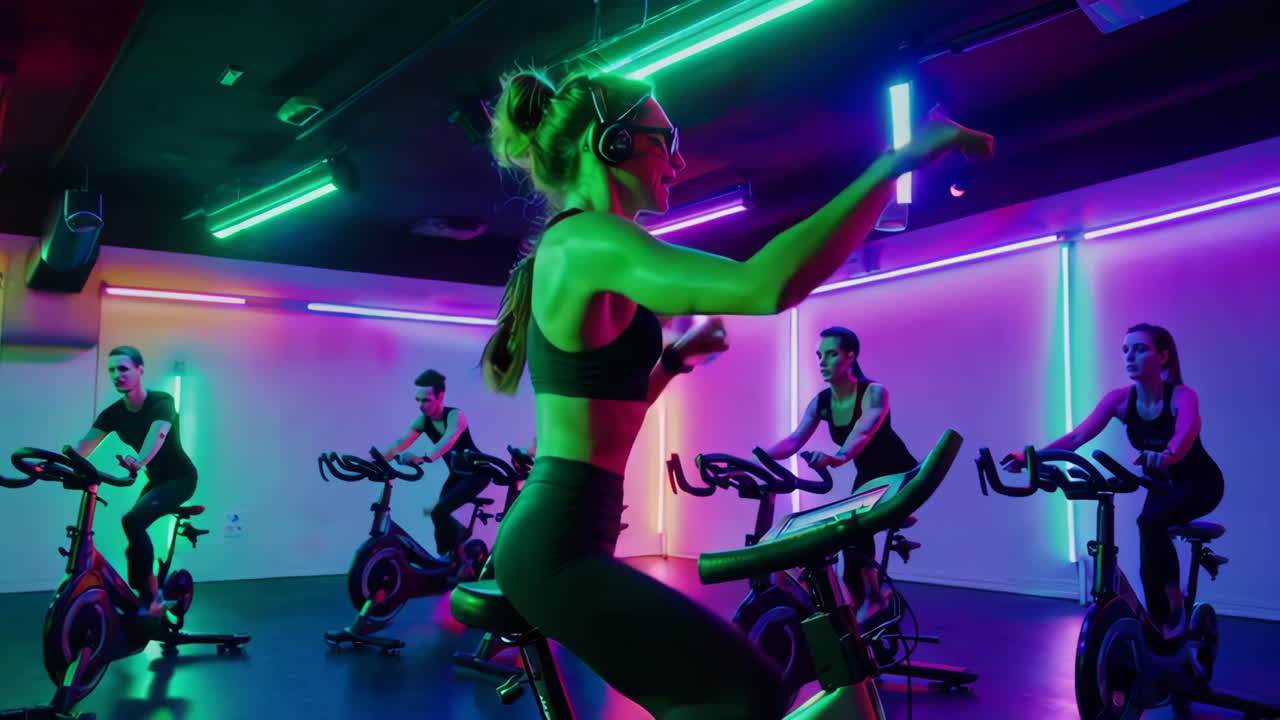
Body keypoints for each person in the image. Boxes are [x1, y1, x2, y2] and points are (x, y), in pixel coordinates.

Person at [479, 67, 991, 719]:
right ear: (610, 145)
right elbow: (766, 285)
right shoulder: (587, 239)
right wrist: (895, 164)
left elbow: (604, 415)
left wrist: (673, 361)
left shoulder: (584, 247)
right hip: (557, 547)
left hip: (563, 535)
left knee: (736, 694)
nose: (679, 159)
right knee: (741, 696)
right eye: (665, 140)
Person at [1005, 323, 1223, 640]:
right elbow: (1077, 436)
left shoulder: (1182, 396)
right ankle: (1160, 626)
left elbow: (1185, 432)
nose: (1130, 357)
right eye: (1125, 350)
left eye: (1140, 349)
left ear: (1163, 356)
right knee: (1147, 552)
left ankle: (1177, 609)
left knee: (1150, 522)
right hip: (1161, 487)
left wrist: (1169, 456)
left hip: (1199, 483)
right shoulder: (1119, 401)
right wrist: (1031, 458)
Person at [765, 327, 917, 626]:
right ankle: (859, 615)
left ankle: (873, 598)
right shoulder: (822, 402)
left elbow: (865, 429)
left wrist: (839, 456)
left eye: (831, 354)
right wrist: (756, 458)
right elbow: (794, 440)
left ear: (850, 356)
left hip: (899, 474)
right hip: (867, 478)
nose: (823, 361)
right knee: (847, 542)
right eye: (820, 355)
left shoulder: (874, 391)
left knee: (855, 527)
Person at [72, 346, 196, 617]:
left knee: (132, 521)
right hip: (156, 480)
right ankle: (151, 591)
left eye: (123, 369)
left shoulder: (161, 402)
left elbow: (158, 434)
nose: (117, 375)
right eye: (112, 370)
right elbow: (83, 447)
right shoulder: (113, 413)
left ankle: (151, 600)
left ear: (140, 370)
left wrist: (139, 462)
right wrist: (60, 464)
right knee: (133, 534)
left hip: (181, 478)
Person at [380, 369, 490, 558]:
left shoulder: (456, 416)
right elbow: (401, 443)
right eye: (418, 400)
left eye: (426, 400)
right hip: (457, 474)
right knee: (436, 514)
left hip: (477, 473)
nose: (421, 406)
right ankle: (448, 556)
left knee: (439, 510)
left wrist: (422, 457)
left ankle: (451, 554)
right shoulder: (423, 421)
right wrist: (375, 461)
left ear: (440, 396)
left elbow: (446, 442)